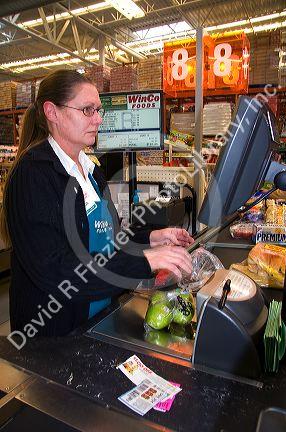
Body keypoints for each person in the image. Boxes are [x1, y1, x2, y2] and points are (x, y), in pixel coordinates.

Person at [0, 69, 193, 338]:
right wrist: (145, 261)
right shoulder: (33, 175)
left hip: (100, 317)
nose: (99, 119)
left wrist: (150, 238)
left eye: (99, 110)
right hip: (55, 334)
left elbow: (107, 240)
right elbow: (56, 271)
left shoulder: (91, 172)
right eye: (87, 110)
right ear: (52, 112)